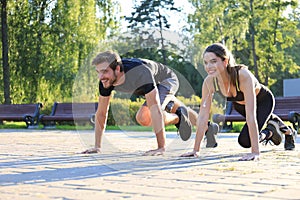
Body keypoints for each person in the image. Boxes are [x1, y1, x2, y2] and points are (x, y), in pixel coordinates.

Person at [81, 50, 219, 156]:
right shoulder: (105, 81)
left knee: (144, 117)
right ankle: (208, 128)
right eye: (98, 72)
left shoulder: (140, 72)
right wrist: (97, 146)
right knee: (179, 108)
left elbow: (156, 109)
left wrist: (161, 147)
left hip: (166, 80)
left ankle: (178, 117)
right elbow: (101, 113)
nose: (101, 77)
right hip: (151, 86)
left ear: (117, 69)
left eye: (104, 72)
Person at [181, 43, 296, 161]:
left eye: (213, 61)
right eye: (206, 62)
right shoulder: (209, 82)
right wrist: (196, 150)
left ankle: (278, 131)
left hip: (263, 102)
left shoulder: (243, 76)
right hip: (241, 106)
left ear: (225, 61)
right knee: (248, 137)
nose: (208, 66)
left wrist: (255, 152)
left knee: (245, 141)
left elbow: (251, 116)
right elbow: (203, 116)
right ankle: (274, 124)